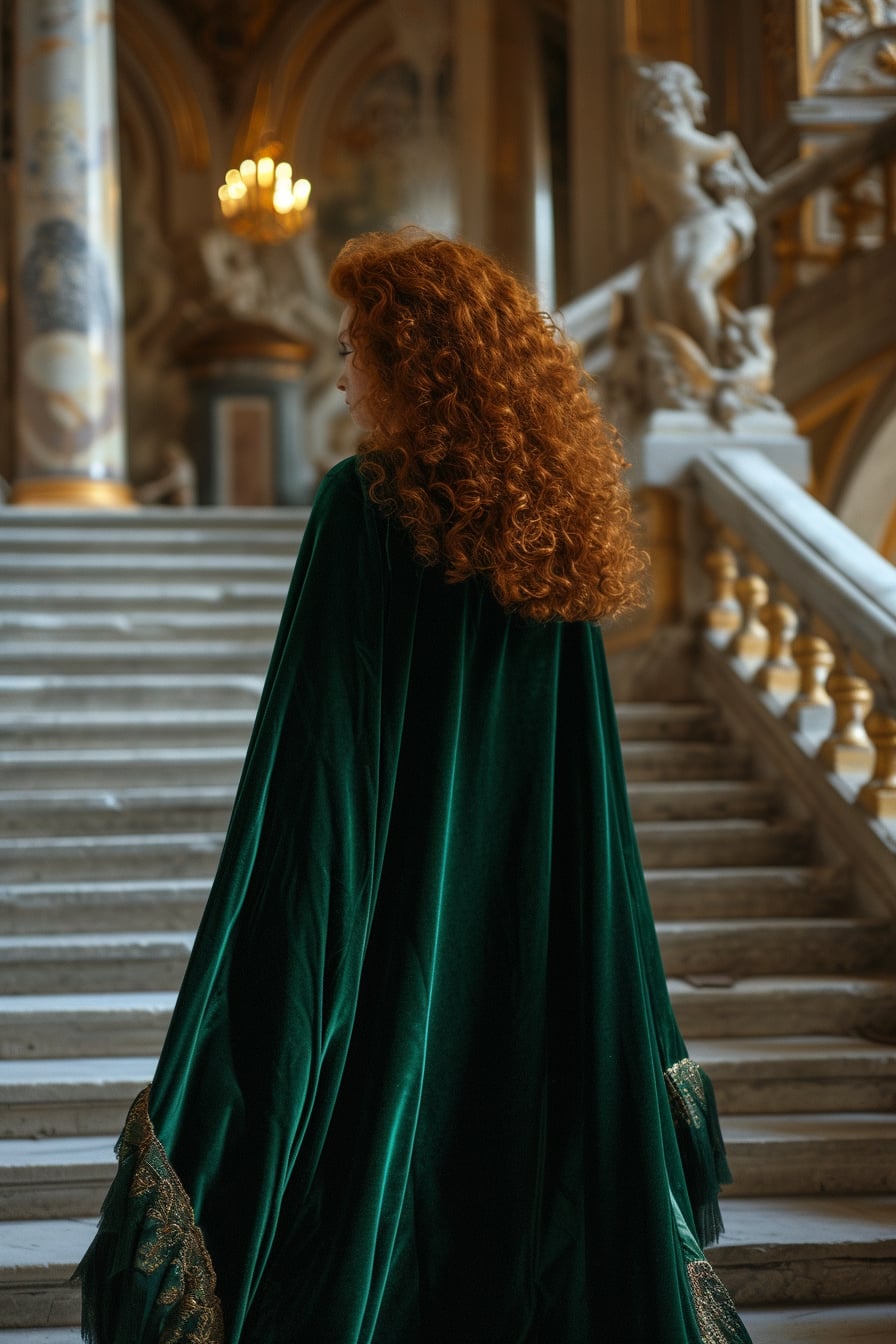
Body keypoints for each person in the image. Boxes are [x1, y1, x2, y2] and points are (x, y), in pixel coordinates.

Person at [76, 228, 752, 1344]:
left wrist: (272, 974)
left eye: (353, 349)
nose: (339, 376)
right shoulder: (554, 536)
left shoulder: (362, 507)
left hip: (398, 941)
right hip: (534, 942)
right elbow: (588, 807)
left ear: (413, 358)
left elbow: (318, 775)